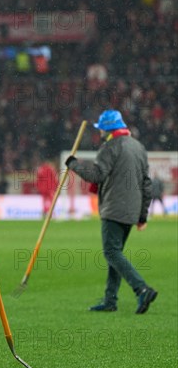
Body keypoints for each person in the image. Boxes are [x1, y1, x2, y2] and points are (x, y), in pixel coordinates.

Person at [65, 109, 157, 314]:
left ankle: (141, 288)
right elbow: (146, 183)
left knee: (111, 252)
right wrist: (142, 215)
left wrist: (74, 165)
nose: (100, 134)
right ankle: (110, 300)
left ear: (107, 130)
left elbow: (97, 175)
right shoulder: (138, 147)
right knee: (115, 253)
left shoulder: (110, 147)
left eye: (102, 130)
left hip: (114, 208)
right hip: (132, 210)